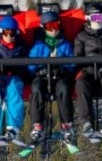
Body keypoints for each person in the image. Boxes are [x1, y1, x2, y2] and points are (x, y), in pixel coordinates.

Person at [28, 11, 75, 143]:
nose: (54, 29)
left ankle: (66, 125)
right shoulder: (39, 45)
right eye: (49, 26)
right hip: (43, 76)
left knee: (64, 89)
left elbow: (71, 63)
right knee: (36, 89)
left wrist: (62, 68)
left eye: (56, 25)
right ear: (43, 27)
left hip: (59, 76)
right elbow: (30, 65)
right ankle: (37, 125)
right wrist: (39, 69)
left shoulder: (64, 44)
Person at [73, 4, 102, 138]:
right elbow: (77, 55)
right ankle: (87, 121)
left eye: (100, 17)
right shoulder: (81, 36)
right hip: (88, 69)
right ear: (88, 18)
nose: (97, 20)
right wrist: (83, 68)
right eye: (94, 17)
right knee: (81, 83)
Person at [0, 16, 29, 140]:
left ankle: (13, 127)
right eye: (6, 32)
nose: (9, 36)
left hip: (13, 75)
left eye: (12, 33)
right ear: (0, 32)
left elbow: (27, 64)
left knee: (14, 88)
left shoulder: (21, 47)